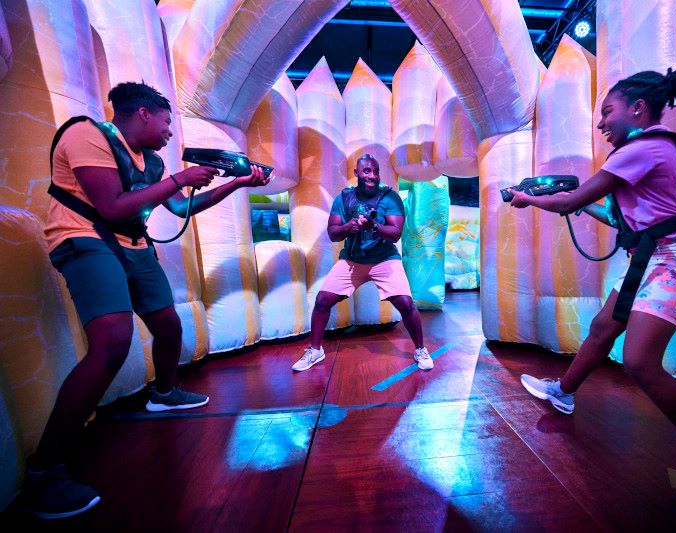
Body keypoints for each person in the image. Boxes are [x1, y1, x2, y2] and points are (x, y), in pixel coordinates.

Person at [507, 68, 676, 528]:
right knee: (603, 327)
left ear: (637, 109)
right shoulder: (650, 152)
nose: (600, 124)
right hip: (654, 255)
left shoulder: (644, 147)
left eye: (607, 112)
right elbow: (623, 223)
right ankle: (564, 392)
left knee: (639, 361)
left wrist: (529, 198)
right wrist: (575, 199)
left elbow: (573, 202)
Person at [22, 81, 270, 519]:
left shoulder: (152, 162)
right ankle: (44, 470)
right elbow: (113, 205)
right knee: (113, 342)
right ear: (142, 114)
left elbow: (180, 210)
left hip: (133, 247)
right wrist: (180, 177)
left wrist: (236, 185)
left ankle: (164, 392)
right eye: (166, 121)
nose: (170, 132)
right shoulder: (87, 134)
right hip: (84, 240)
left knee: (169, 325)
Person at [292, 154, 433, 372]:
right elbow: (333, 233)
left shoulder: (390, 198)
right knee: (322, 301)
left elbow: (395, 234)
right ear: (357, 173)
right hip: (352, 260)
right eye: (367, 171)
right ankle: (315, 350)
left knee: (405, 303)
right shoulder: (344, 198)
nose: (372, 176)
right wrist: (349, 227)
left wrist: (373, 227)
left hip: (384, 259)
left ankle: (420, 349)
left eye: (376, 171)